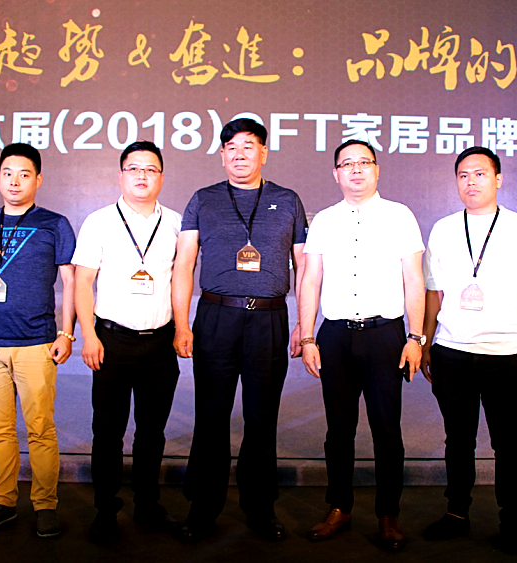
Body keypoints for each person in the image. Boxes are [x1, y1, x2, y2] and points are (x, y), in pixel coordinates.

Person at [171, 118, 307, 542]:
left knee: (262, 417)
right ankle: (202, 507)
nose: (239, 154)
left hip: (269, 319)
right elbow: (183, 265)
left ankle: (260, 507)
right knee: (211, 416)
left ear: (263, 152)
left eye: (248, 146)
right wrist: (181, 324)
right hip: (216, 317)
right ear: (222, 155)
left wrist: (303, 323)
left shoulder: (287, 200)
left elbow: (304, 266)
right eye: (231, 147)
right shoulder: (203, 199)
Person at [420, 146, 517, 554]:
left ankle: (511, 520)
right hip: (451, 352)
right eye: (463, 175)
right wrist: (425, 342)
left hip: (506, 353)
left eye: (480, 173)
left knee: (507, 441)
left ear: (498, 179)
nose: (471, 181)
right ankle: (456, 513)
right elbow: (433, 293)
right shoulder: (443, 229)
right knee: (457, 440)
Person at [299, 139, 425, 551]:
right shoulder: (324, 221)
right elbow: (310, 280)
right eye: (347, 163)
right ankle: (339, 507)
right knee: (338, 431)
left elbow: (414, 280)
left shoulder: (399, 216)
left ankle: (389, 514)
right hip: (335, 336)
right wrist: (307, 336)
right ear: (336, 173)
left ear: (377, 169)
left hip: (385, 335)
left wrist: (415, 337)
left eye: (364, 162)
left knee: (387, 430)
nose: (356, 169)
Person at [0, 142, 76, 538]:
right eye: (8, 173)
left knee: (41, 430)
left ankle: (45, 505)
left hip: (36, 343)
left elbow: (70, 282)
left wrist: (66, 332)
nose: (15, 181)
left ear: (38, 180)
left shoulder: (54, 224)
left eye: (24, 174)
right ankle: (3, 501)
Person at [72, 141, 181, 545]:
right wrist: (88, 335)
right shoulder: (99, 221)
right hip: (111, 342)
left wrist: (182, 328)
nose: (141, 175)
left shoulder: (176, 223)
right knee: (108, 432)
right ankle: (105, 510)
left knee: (152, 433)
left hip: (160, 345)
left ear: (161, 178)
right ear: (120, 176)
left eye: (150, 169)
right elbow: (82, 281)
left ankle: (147, 504)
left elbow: (182, 280)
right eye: (134, 168)